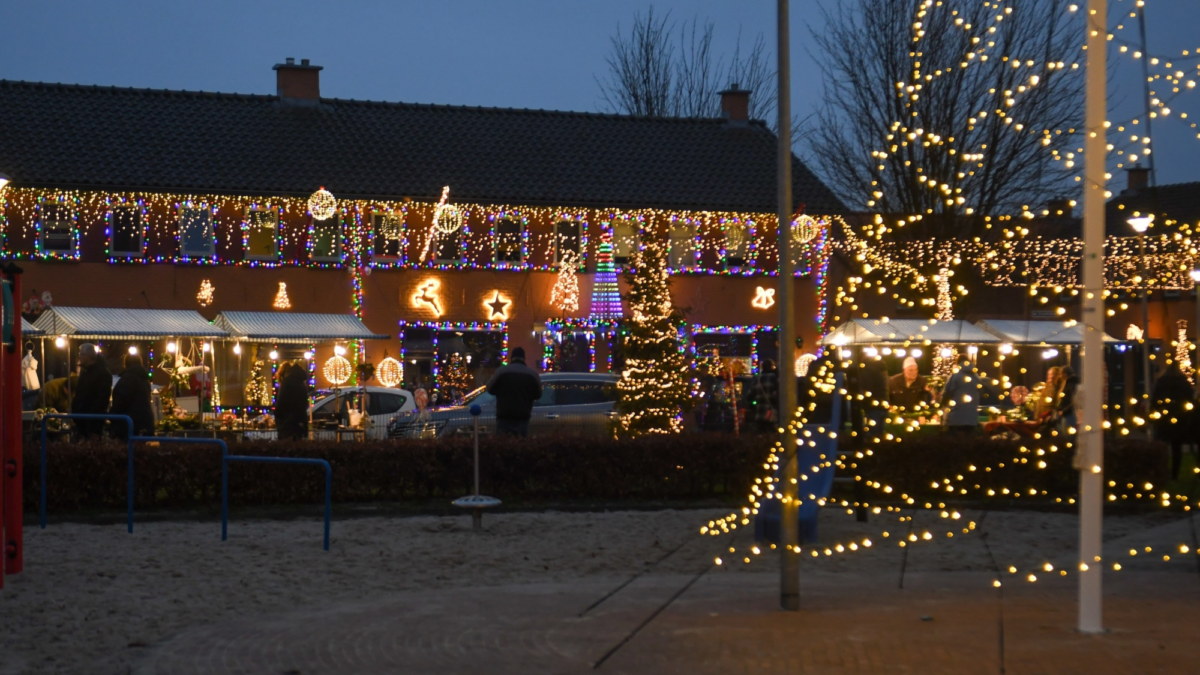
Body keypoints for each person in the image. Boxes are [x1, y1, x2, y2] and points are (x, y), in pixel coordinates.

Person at [485, 346, 543, 437]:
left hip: (504, 416)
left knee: (503, 445)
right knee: (520, 445)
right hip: (523, 417)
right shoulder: (532, 374)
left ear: (511, 358)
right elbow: (538, 394)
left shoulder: (501, 372)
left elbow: (490, 389)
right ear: (524, 358)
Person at [1153, 361, 1194, 480]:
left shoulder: (1162, 382)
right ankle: (1174, 474)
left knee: (1163, 446)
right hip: (1180, 419)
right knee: (1177, 448)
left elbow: (1156, 399)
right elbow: (1190, 400)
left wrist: (1155, 411)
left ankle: (1163, 471)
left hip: (1164, 418)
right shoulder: (1184, 383)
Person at [71, 343, 112, 439]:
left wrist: (90, 417)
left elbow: (101, 400)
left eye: (81, 354)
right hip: (83, 419)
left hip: (91, 421)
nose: (79, 357)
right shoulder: (86, 371)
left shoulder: (102, 373)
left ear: (89, 356)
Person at [110, 353, 154, 439]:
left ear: (125, 364)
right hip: (144, 422)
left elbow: (121, 401)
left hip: (129, 424)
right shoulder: (144, 379)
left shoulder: (127, 379)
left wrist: (112, 415)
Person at [940, 357, 983, 434]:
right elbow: (981, 392)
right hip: (972, 418)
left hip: (956, 417)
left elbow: (948, 392)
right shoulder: (976, 377)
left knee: (955, 442)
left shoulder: (956, 375)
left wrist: (942, 404)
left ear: (958, 363)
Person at [275, 361, 311, 441]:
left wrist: (277, 415)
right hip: (299, 422)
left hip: (287, 423)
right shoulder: (300, 382)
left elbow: (281, 403)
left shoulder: (286, 382)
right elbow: (304, 403)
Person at [744, 359, 780, 433]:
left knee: (761, 438)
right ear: (772, 367)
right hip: (773, 417)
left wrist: (755, 408)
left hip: (759, 416)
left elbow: (748, 399)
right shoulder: (775, 379)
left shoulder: (757, 380)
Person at [1055, 365, 1080, 432]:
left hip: (1069, 415)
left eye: (1060, 374)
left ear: (1065, 374)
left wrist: (1064, 411)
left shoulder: (1070, 385)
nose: (1060, 376)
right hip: (1066, 413)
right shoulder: (1069, 384)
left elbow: (1073, 400)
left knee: (1067, 434)